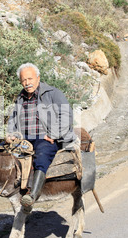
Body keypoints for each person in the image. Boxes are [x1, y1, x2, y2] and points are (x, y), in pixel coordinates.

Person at [7, 63, 76, 209]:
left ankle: (32, 195)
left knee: (42, 155)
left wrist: (54, 134)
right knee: (0, 151)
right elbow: (12, 120)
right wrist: (10, 135)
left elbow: (66, 115)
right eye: (24, 80)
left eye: (30, 78)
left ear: (38, 78)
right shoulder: (20, 98)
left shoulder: (53, 93)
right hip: (24, 139)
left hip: (46, 137)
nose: (27, 83)